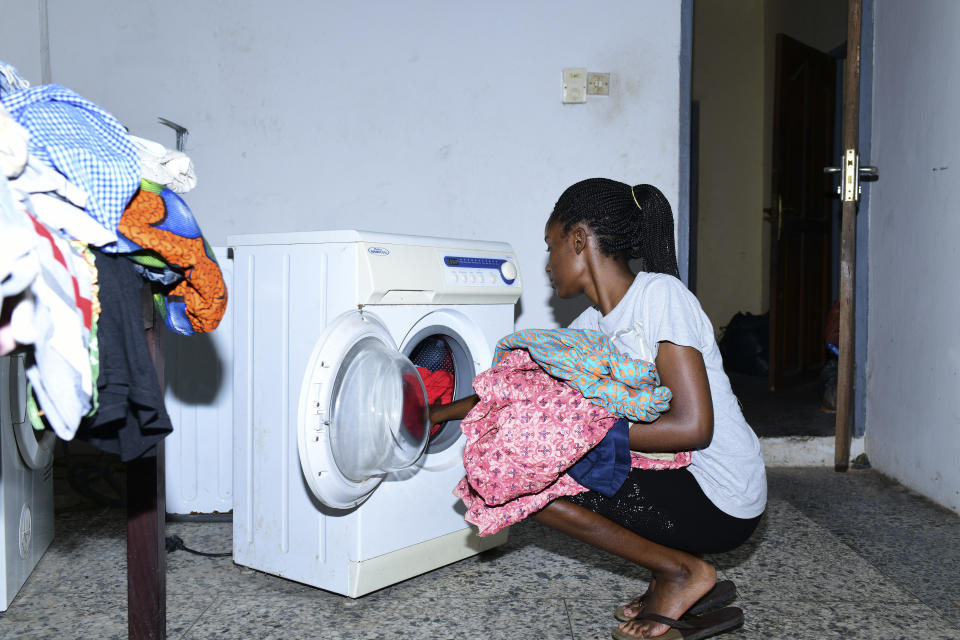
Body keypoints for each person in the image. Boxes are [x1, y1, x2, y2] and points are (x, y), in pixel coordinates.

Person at [430, 178, 766, 640]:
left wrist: (572, 439)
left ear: (579, 240)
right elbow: (512, 394)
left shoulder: (661, 298)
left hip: (723, 493)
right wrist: (436, 413)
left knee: (533, 474)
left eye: (550, 247)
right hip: (675, 480)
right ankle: (675, 571)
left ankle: (681, 573)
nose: (547, 265)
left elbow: (692, 427)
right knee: (518, 464)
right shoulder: (591, 326)